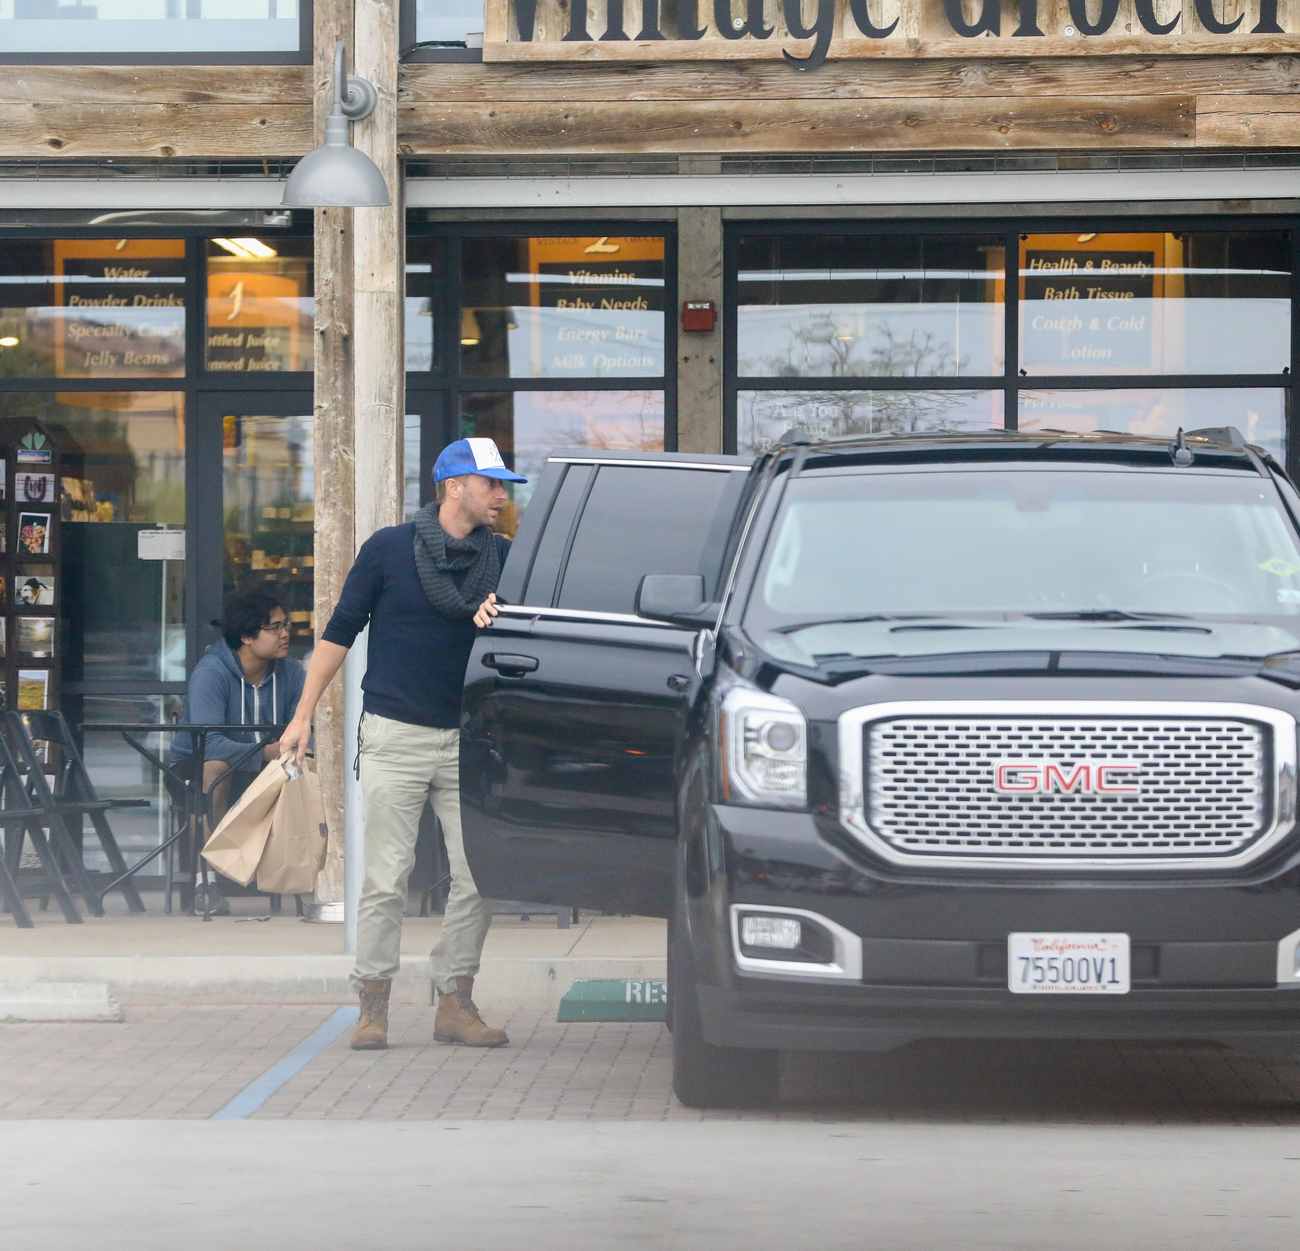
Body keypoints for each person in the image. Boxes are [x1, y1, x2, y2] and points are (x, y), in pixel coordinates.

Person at [279, 436, 523, 1052]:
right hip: (396, 733)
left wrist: (508, 617)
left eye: (503, 484)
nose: (501, 494)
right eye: (491, 483)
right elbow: (338, 631)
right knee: (388, 877)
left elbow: (528, 646)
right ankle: (373, 1005)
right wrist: (303, 714)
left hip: (472, 741)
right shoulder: (390, 549)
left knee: (480, 875)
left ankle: (454, 1001)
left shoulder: (505, 559)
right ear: (454, 486)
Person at [173, 588, 307, 916]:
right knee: (213, 769)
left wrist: (288, 750)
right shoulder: (212, 672)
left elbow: (302, 730)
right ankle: (207, 884)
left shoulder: (291, 674)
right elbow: (208, 742)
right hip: (195, 769)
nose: (285, 634)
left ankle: (307, 877)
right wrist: (265, 753)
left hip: (266, 771)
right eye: (274, 627)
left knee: (311, 770)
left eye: (285, 625)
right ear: (247, 636)